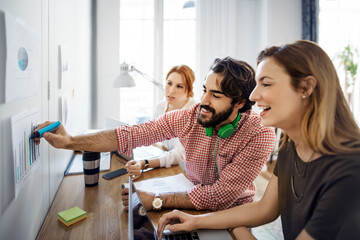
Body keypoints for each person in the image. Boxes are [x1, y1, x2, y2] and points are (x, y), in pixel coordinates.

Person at [157, 40, 360, 240]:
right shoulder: (291, 148)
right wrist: (197, 221)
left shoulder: (349, 169)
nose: (253, 96)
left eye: (266, 84)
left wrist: (234, 229)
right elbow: (265, 209)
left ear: (305, 88)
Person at [35, 56, 275, 212]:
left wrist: (158, 199)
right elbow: (132, 134)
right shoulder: (190, 115)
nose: (203, 101)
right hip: (190, 195)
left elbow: (219, 197)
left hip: (232, 211)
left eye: (216, 95)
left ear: (240, 103)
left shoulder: (260, 133)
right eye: (204, 90)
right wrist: (70, 141)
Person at [126, 65, 197, 179]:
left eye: (179, 86)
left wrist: (144, 163)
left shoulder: (193, 113)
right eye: (169, 83)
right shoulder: (161, 106)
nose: (171, 90)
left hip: (184, 173)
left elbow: (178, 155)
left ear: (188, 90)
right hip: (165, 165)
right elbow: (151, 134)